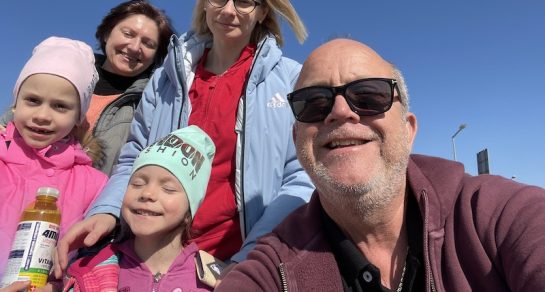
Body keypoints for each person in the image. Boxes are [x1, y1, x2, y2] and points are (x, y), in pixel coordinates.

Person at [56, 0, 314, 278]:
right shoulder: (168, 77)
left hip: (237, 260)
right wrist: (108, 209)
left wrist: (254, 257)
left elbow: (301, 178)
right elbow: (134, 156)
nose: (229, 10)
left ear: (262, 11)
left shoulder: (292, 80)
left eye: (244, 2)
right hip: (151, 256)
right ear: (205, 0)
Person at [216, 38, 545, 291]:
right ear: (297, 138)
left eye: (370, 96)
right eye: (314, 102)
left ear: (408, 128)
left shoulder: (495, 216)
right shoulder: (273, 267)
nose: (341, 111)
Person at [0, 0, 175, 176]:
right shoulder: (59, 73)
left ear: (156, 56)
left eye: (148, 43)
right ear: (107, 33)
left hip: (93, 198)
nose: (135, 47)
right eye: (128, 34)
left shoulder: (152, 105)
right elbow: (7, 124)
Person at [0, 37, 108, 290]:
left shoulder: (93, 184)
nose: (42, 116)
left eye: (60, 107)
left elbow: (90, 261)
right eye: (33, 100)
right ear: (16, 103)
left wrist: (57, 287)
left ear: (78, 119)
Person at [62, 126, 215, 292]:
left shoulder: (211, 282)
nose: (147, 193)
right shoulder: (92, 271)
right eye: (137, 183)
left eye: (168, 188)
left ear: (189, 210)